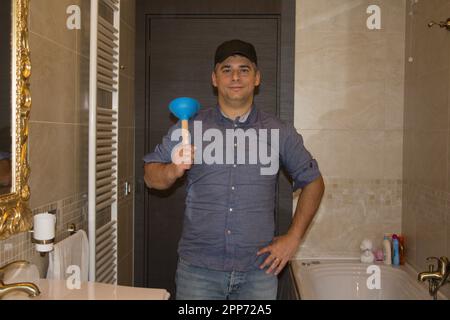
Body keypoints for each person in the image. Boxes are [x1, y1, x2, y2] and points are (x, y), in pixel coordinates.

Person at [143, 39, 325, 300]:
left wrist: (293, 238)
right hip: (198, 272)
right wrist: (172, 169)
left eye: (244, 69)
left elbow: (314, 183)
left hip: (259, 272)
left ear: (257, 77)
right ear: (214, 78)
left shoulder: (279, 132)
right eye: (226, 69)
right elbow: (151, 176)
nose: (235, 76)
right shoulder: (190, 128)